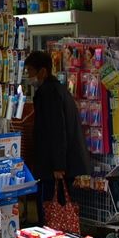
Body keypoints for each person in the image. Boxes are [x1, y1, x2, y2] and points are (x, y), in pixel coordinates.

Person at [25, 50, 89, 226]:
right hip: (61, 162)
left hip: (55, 166)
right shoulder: (58, 90)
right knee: (57, 205)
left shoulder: (49, 94)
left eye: (30, 71)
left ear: (42, 71)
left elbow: (57, 130)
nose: (28, 76)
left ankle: (53, 236)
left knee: (51, 206)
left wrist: (58, 166)